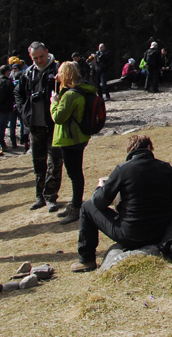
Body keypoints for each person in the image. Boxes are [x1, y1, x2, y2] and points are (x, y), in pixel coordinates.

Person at [71, 135, 172, 272]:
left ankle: (86, 260)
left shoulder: (122, 170)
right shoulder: (166, 168)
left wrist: (100, 188)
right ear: (149, 148)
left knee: (86, 206)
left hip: (131, 234)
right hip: (162, 232)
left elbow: (99, 202)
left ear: (130, 150)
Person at [15, 42, 62, 211]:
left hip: (54, 124)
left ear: (47, 52)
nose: (39, 60)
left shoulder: (58, 70)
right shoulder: (27, 73)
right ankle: (39, 196)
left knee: (55, 162)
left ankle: (51, 196)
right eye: (35, 58)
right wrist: (23, 111)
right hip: (35, 124)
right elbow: (18, 94)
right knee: (38, 162)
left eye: (41, 56)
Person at [51, 61, 96, 225]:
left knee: (74, 174)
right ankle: (74, 204)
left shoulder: (71, 95)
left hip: (70, 139)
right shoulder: (81, 90)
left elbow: (58, 117)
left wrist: (54, 102)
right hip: (79, 137)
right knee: (75, 173)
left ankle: (76, 207)